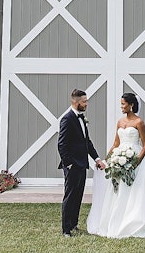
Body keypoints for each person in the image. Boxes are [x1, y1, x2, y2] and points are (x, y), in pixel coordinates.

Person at [86, 92, 145, 238]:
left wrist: (135, 163)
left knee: (134, 193)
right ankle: (117, 221)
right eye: (121, 104)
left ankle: (133, 223)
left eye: (123, 104)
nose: (121, 107)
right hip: (119, 160)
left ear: (131, 105)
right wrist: (105, 160)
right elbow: (116, 144)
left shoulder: (139, 122)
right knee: (118, 192)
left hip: (135, 161)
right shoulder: (120, 122)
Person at [57, 88, 106, 237]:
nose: (87, 104)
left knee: (78, 196)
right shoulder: (67, 119)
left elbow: (87, 142)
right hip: (72, 166)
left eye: (86, 101)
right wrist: (69, 164)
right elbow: (61, 144)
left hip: (82, 164)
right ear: (76, 102)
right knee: (70, 196)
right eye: (84, 101)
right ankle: (66, 229)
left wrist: (97, 159)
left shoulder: (82, 118)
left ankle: (73, 224)